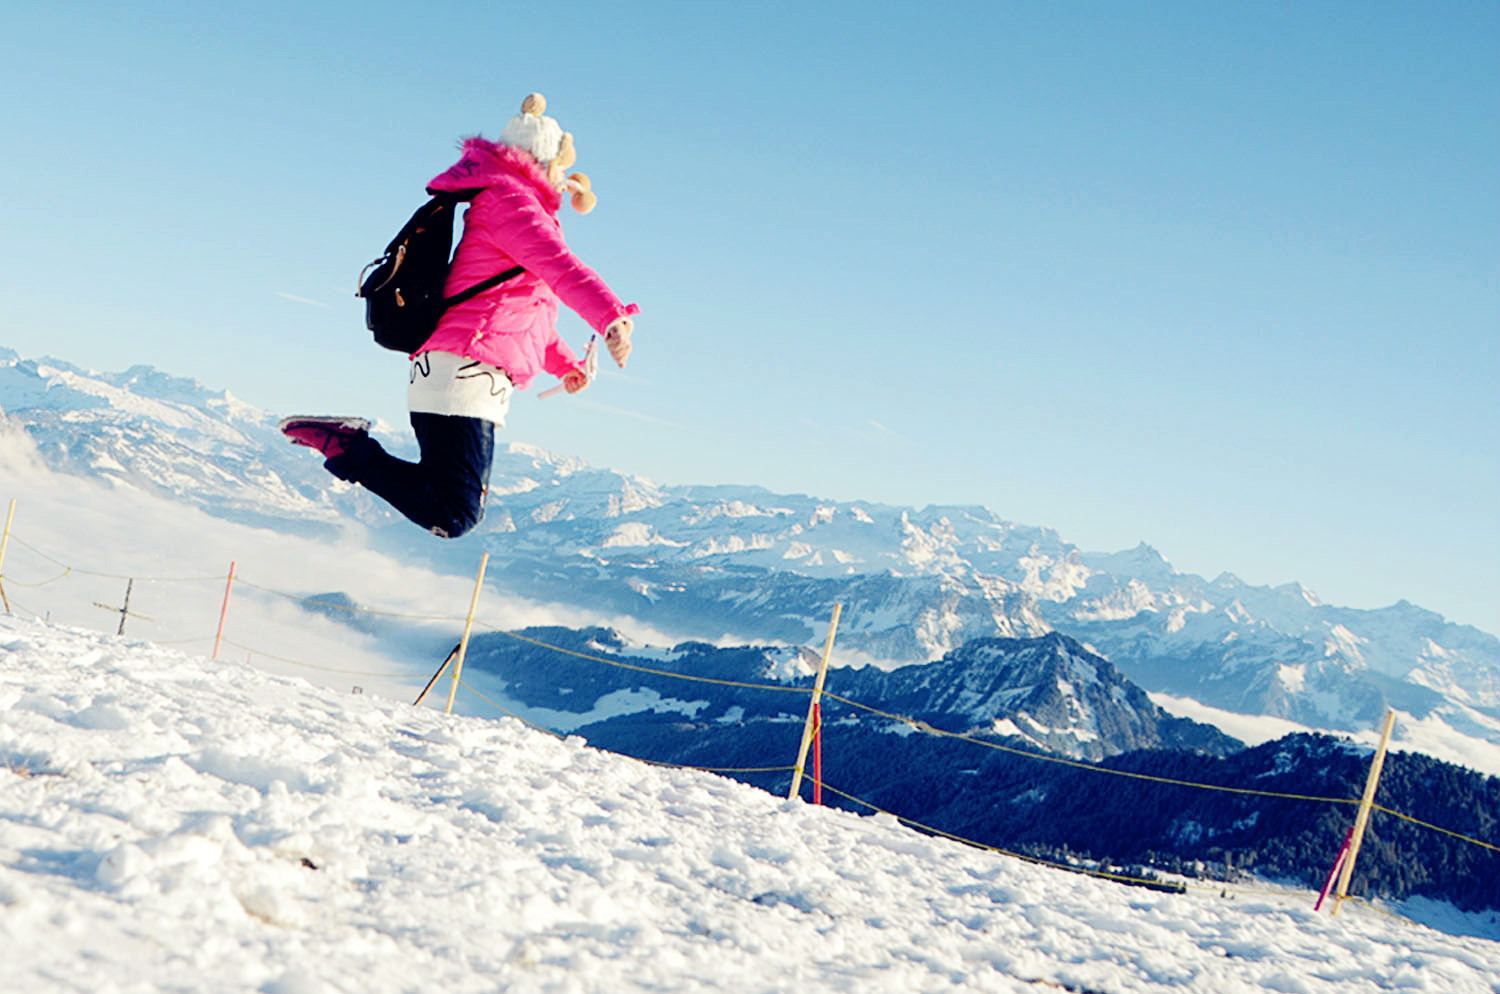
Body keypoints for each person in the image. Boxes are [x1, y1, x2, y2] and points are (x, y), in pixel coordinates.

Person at [279, 94, 638, 538]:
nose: (566, 180)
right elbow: (565, 270)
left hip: (458, 371)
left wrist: (565, 366)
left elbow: (522, 319)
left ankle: (349, 449)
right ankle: (346, 447)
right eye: (561, 168)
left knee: (448, 506)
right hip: (464, 374)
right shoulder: (513, 205)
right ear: (542, 163)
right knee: (454, 513)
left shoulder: (513, 207)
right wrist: (611, 318)